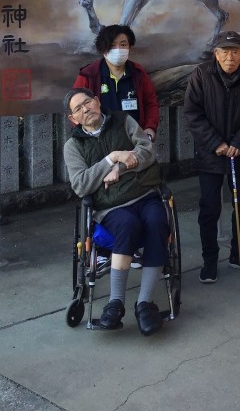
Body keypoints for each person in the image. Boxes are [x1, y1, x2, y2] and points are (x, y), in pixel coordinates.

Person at [63, 87, 168, 335]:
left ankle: (144, 304)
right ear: (73, 118)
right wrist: (111, 158)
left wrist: (120, 168)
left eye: (87, 103)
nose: (86, 109)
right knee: (128, 225)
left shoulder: (123, 121)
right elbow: (81, 184)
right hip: (110, 205)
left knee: (157, 221)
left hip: (144, 192)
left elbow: (148, 151)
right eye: (78, 109)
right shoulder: (73, 145)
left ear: (97, 101)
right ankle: (115, 303)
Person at [184, 30, 240, 283]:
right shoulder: (201, 75)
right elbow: (193, 113)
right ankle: (210, 260)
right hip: (210, 154)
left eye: (235, 51)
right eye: (225, 51)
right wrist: (215, 143)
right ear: (216, 53)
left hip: (239, 154)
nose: (230, 57)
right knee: (210, 208)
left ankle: (239, 255)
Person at [74, 24, 159, 141]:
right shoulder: (88, 75)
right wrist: (87, 136)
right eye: (112, 45)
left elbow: (150, 103)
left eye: (123, 45)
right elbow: (75, 108)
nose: (118, 49)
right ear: (103, 49)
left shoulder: (138, 73)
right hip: (99, 141)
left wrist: (150, 127)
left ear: (130, 47)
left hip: (134, 140)